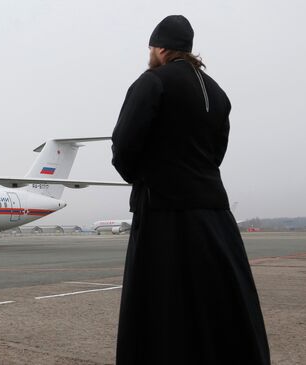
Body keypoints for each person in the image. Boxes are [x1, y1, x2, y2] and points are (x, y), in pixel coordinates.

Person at [111, 15, 270, 364]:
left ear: (162, 47)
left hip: (164, 217)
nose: (150, 53)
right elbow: (217, 153)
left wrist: (145, 176)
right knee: (217, 310)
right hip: (215, 218)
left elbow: (123, 148)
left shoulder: (152, 82)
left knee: (163, 313)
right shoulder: (217, 92)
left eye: (152, 46)